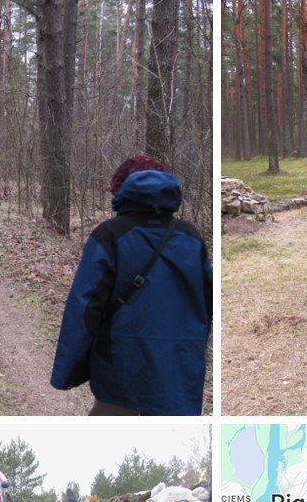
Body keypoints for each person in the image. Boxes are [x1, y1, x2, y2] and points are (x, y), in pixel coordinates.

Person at [50, 155, 212, 416]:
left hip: (120, 364)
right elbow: (207, 307)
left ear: (123, 192)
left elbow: (85, 307)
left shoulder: (110, 234)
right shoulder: (190, 238)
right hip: (176, 367)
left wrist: (69, 371)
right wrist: (189, 351)